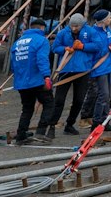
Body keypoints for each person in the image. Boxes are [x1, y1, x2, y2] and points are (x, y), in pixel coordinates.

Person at [37, 12, 92, 141]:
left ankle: (70, 124)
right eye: (72, 26)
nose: (74, 28)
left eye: (76, 26)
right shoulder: (63, 33)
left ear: (82, 25)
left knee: (79, 100)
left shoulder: (89, 31)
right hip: (65, 69)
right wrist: (65, 49)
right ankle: (51, 125)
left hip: (83, 70)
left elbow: (97, 46)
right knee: (59, 100)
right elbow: (55, 47)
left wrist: (83, 46)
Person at [9, 17, 53, 144]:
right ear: (42, 28)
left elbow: (13, 64)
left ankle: (21, 135)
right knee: (49, 103)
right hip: (37, 80)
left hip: (21, 81)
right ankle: (41, 132)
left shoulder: (18, 42)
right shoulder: (42, 40)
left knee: (27, 108)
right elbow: (42, 59)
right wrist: (46, 76)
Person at [79, 10, 111, 133]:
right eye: (109, 18)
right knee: (103, 95)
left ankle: (104, 120)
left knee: (107, 96)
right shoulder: (93, 33)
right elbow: (95, 49)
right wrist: (108, 48)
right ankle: (97, 122)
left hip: (110, 67)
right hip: (100, 68)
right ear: (103, 20)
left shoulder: (108, 31)